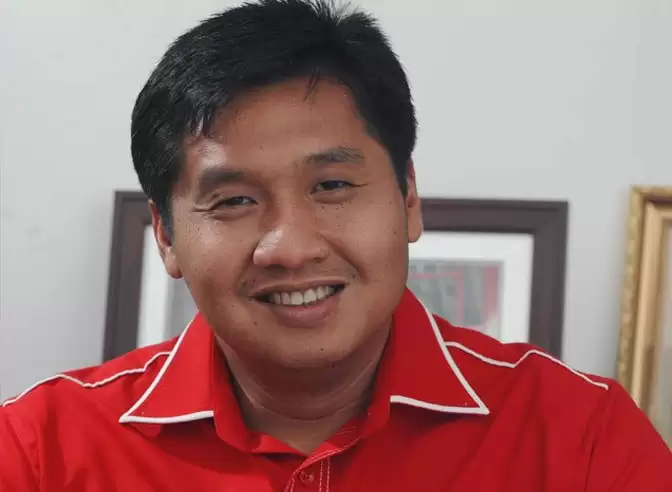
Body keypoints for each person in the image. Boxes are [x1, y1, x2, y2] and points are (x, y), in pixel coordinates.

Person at [1, 0, 670, 489]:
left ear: (408, 198)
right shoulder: (38, 452)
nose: (290, 247)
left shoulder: (581, 439)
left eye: (332, 186)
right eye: (234, 200)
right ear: (166, 235)